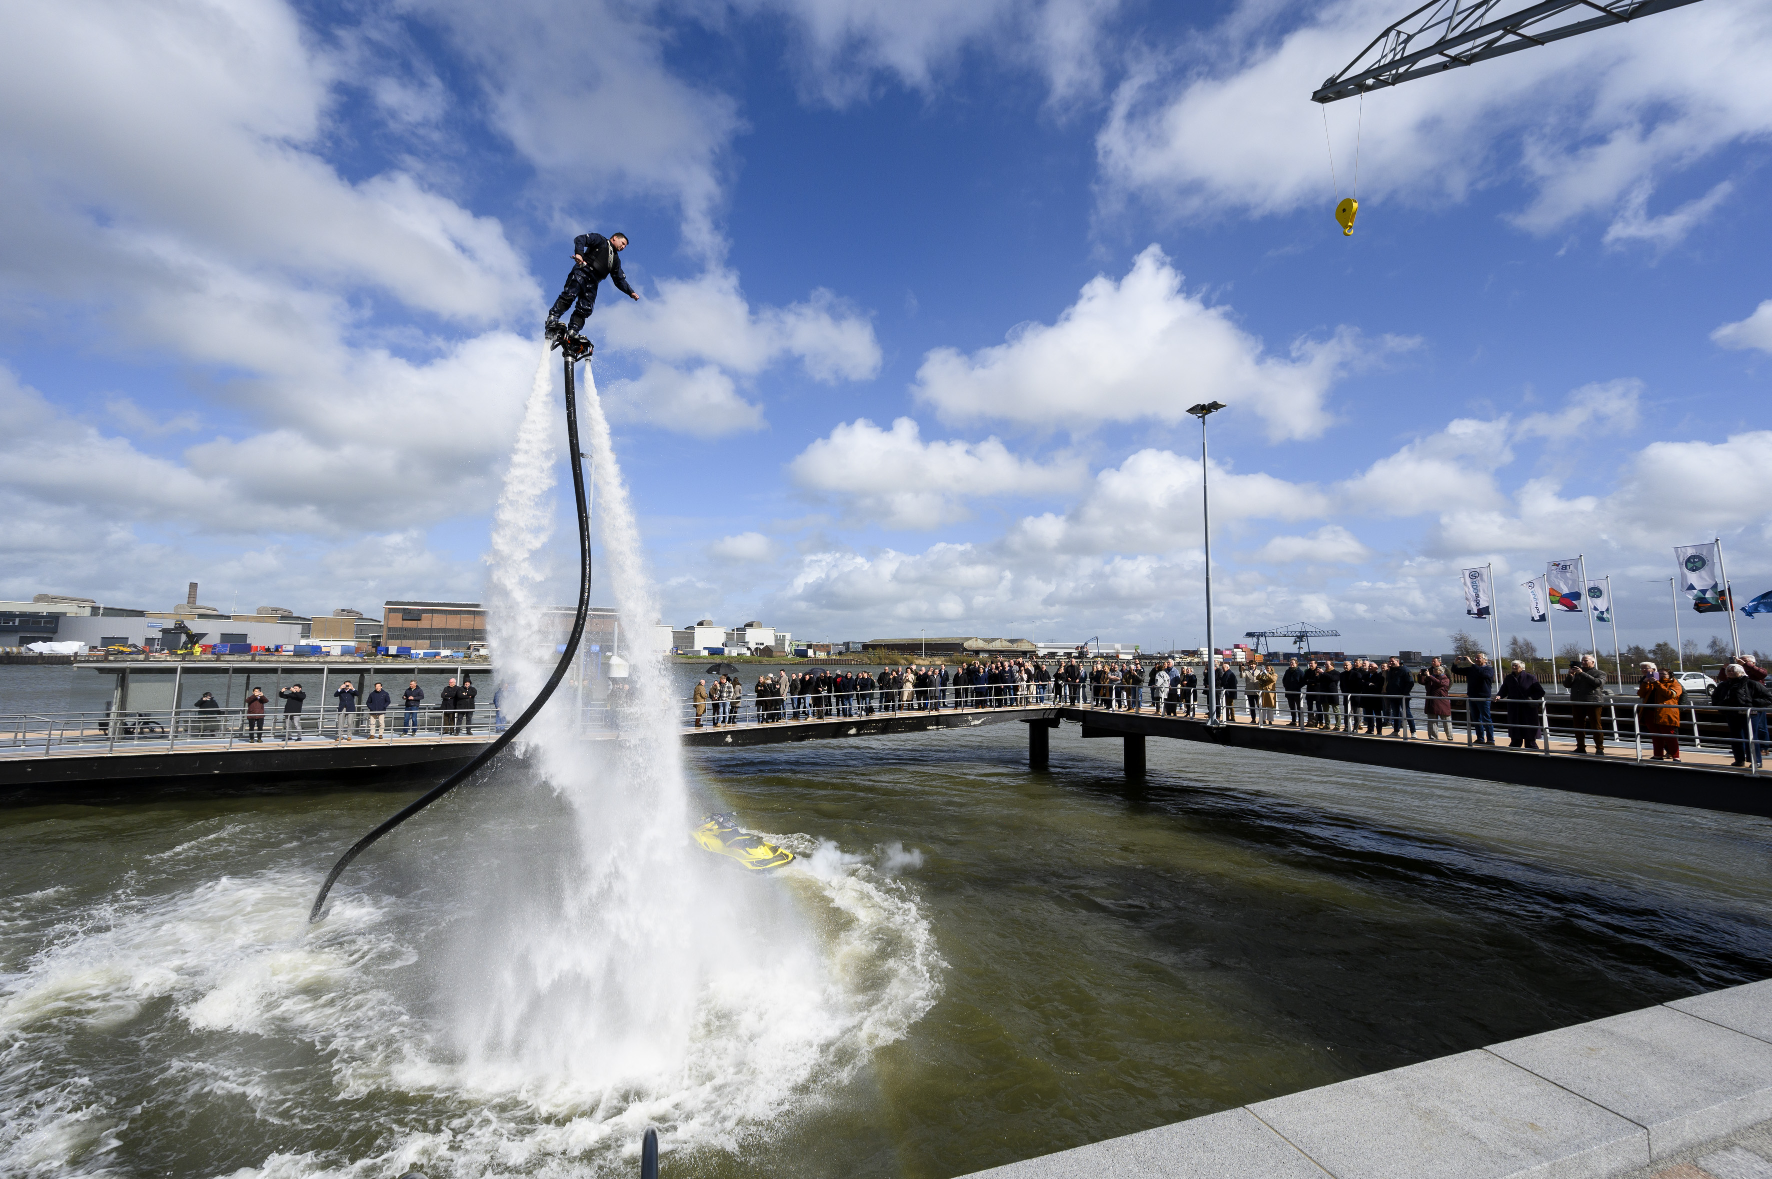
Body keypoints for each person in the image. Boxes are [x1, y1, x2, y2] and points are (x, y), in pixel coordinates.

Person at [544, 231, 639, 343]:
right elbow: (580, 239)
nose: (623, 247)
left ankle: (573, 331)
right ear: (614, 238)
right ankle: (553, 318)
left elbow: (619, 280)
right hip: (582, 272)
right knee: (570, 295)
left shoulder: (616, 260)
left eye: (624, 246)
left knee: (585, 308)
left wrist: (630, 292)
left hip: (594, 282)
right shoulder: (600, 240)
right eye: (622, 243)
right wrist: (579, 253)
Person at [1711, 664, 1772, 767]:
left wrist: (1751, 704)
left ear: (1740, 671)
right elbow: (1715, 698)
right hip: (1732, 714)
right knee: (1736, 737)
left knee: (1751, 737)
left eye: (1733, 670)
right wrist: (1722, 706)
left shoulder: (1752, 684)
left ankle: (1756, 761)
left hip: (1749, 714)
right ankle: (1739, 760)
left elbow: (1768, 698)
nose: (1731, 672)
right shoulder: (1723, 685)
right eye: (1729, 671)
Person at [1636, 662, 1684, 761]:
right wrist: (1645, 682)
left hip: (1666, 713)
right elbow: (1641, 694)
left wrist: (1657, 683)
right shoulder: (1651, 682)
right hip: (1651, 712)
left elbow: (1670, 694)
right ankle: (1658, 755)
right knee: (1656, 735)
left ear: (1670, 675)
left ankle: (1676, 756)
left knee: (1669, 735)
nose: (1661, 676)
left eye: (1664, 674)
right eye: (1660, 674)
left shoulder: (1674, 683)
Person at [1562, 655, 1608, 755]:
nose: (1583, 662)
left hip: (1593, 702)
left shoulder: (1600, 673)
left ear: (1593, 662)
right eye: (1582, 661)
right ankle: (1580, 747)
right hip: (1577, 702)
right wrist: (1570, 675)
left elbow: (1598, 683)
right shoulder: (1576, 673)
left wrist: (1582, 674)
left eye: (1585, 661)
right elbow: (1566, 685)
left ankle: (1599, 748)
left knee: (1596, 725)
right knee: (1578, 725)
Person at [1497, 660, 1545, 749]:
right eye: (1513, 666)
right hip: (1514, 707)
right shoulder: (1509, 678)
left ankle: (1531, 745)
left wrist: (1531, 698)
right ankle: (1515, 744)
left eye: (1516, 666)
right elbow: (1504, 690)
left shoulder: (1530, 677)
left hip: (1527, 708)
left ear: (1522, 667)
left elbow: (1540, 691)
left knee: (1529, 727)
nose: (1514, 667)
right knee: (1515, 727)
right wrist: (1499, 696)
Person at [1456, 653, 1495, 744]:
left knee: (1486, 718)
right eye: (1475, 658)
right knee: (1476, 719)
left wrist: (1472, 663)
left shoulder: (1489, 669)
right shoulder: (1471, 669)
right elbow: (1456, 671)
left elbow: (1483, 675)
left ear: (1485, 660)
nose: (1476, 659)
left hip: (1483, 697)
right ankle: (1480, 738)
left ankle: (1490, 739)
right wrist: (1455, 663)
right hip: (1472, 696)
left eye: (1479, 658)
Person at [1417, 658, 1453, 740]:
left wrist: (1429, 676)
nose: (1435, 671)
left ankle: (1450, 736)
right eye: (1434, 670)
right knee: (1432, 721)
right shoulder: (1431, 677)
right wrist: (1421, 676)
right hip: (1432, 701)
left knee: (1446, 720)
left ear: (1441, 671)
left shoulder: (1445, 678)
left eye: (1437, 670)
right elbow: (1423, 682)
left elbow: (1440, 683)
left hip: (1442, 701)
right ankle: (1433, 737)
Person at [1383, 658, 1415, 736]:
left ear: (1397, 661)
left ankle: (1413, 731)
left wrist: (1404, 693)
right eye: (1389, 661)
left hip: (1402, 696)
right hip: (1392, 695)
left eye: (1392, 661)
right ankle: (1396, 731)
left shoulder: (1404, 670)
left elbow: (1410, 682)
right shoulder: (1390, 670)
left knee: (1407, 713)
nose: (1390, 663)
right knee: (1395, 714)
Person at [1281, 658, 1306, 726]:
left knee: (1299, 708)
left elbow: (1304, 681)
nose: (1291, 664)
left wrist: (1298, 686)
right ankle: (1293, 721)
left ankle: (1301, 722)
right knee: (1292, 707)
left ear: (1296, 664)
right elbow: (1284, 679)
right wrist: (1286, 686)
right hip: (1289, 692)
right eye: (1290, 663)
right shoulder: (1287, 671)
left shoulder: (1300, 671)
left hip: (1297, 692)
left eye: (1293, 663)